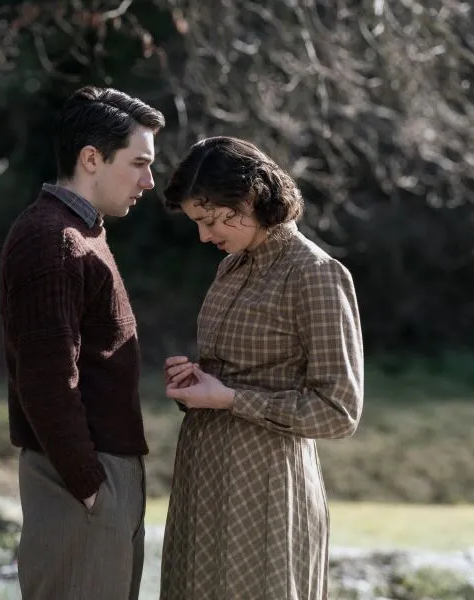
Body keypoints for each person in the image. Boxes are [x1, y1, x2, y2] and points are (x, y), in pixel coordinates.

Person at [159, 136, 364, 599]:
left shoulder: (314, 273)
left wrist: (232, 399)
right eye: (198, 223)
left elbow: (339, 411)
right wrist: (197, 383)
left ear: (249, 198)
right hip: (203, 475)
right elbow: (233, 374)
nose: (204, 236)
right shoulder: (231, 267)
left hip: (266, 486)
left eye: (211, 220)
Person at [0, 85, 165, 600]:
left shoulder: (80, 233)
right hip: (78, 486)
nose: (149, 181)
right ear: (92, 158)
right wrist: (90, 486)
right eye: (138, 163)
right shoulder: (53, 239)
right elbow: (46, 378)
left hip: (99, 481)